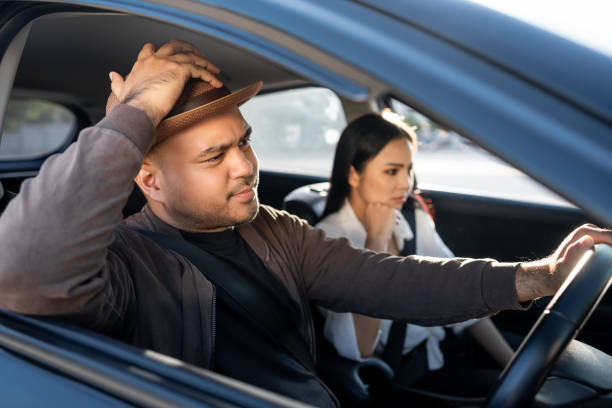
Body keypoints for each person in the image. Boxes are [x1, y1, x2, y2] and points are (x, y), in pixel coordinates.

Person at [0, 40, 609, 407]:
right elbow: (24, 272)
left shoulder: (277, 231)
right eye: (214, 156)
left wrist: (538, 277)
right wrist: (135, 114)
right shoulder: (125, 266)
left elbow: (395, 281)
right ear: (148, 178)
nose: (246, 166)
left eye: (244, 142)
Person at [316, 111, 515, 396]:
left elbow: (461, 291)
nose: (406, 183)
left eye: (409, 170)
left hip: (442, 354)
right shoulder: (328, 240)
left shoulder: (411, 218)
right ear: (353, 174)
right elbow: (361, 347)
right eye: (391, 171)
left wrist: (513, 366)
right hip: (400, 382)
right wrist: (376, 240)